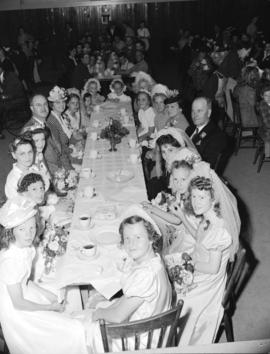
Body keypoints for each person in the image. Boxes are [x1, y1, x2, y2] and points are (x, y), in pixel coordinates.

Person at [0, 197, 88, 354]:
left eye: (32, 228)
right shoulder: (11, 260)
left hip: (25, 293)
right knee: (73, 332)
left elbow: (25, 281)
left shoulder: (25, 247)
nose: (29, 234)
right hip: (17, 313)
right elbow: (18, 303)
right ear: (11, 231)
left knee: (66, 290)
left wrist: (47, 294)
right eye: (22, 229)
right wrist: (49, 306)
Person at [82, 208, 171, 352]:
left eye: (138, 237)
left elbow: (118, 317)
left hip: (139, 341)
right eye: (127, 238)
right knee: (95, 307)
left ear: (151, 238)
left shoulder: (146, 274)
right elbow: (128, 299)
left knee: (84, 331)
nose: (131, 244)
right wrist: (105, 308)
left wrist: (98, 313)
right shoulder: (155, 262)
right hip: (151, 329)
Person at [168, 176, 235, 345]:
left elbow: (213, 268)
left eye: (202, 197)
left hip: (209, 280)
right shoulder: (207, 217)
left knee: (179, 299)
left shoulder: (218, 230)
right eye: (194, 196)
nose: (196, 202)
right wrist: (181, 215)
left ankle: (181, 341)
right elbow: (198, 238)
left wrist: (188, 264)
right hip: (200, 264)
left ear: (213, 200)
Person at [146, 127, 200, 200]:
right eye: (163, 152)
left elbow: (184, 190)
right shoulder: (173, 158)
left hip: (188, 194)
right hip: (172, 187)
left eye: (170, 150)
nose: (167, 155)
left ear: (179, 148)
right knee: (151, 184)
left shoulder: (186, 158)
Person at [22, 94, 69, 175]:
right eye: (38, 105)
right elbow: (35, 164)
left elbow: (60, 150)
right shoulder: (28, 131)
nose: (43, 108)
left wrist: (69, 168)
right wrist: (63, 175)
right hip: (48, 176)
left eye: (45, 104)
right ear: (32, 108)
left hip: (62, 168)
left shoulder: (49, 124)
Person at [186, 97, 227, 169]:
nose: (195, 115)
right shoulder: (190, 129)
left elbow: (208, 165)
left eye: (199, 111)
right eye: (193, 111)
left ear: (209, 113)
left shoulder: (216, 136)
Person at [46, 86, 73, 171]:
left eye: (63, 102)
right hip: (62, 160)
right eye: (58, 102)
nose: (62, 105)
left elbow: (68, 138)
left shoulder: (62, 116)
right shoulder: (51, 122)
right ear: (52, 105)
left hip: (68, 151)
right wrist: (70, 169)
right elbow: (59, 150)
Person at [0, 62, 26, 139]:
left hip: (17, 99)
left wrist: (2, 96)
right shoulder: (2, 76)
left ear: (0, 68)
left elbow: (13, 93)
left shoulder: (10, 75)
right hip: (8, 99)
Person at [257, 84, 270, 157]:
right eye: (266, 96)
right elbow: (267, 123)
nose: (269, 98)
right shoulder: (263, 105)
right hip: (265, 129)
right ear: (262, 96)